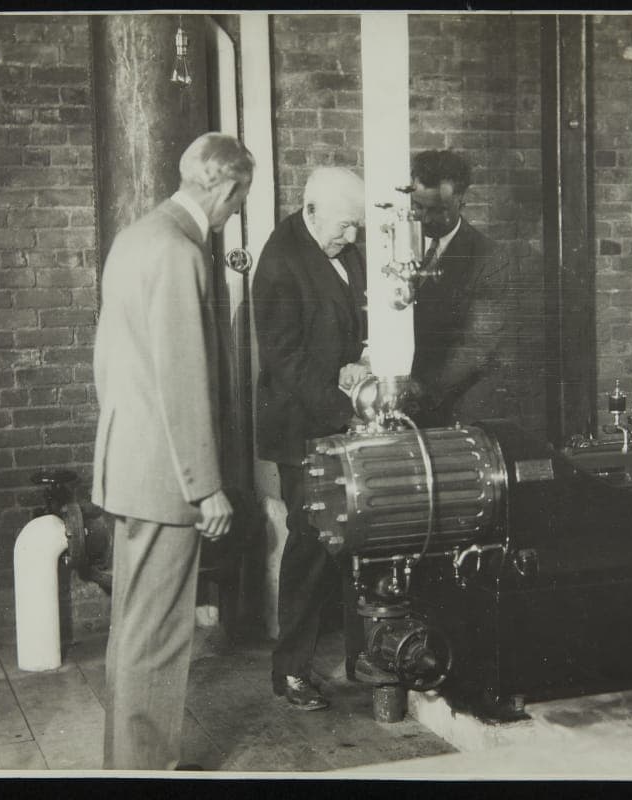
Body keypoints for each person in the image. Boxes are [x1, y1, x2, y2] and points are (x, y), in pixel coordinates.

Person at [91, 132, 254, 770]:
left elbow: (113, 364)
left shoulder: (134, 237)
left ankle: (124, 762)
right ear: (223, 187)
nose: (237, 213)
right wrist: (205, 485)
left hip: (128, 464)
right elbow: (184, 380)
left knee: (133, 632)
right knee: (158, 638)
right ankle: (146, 769)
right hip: (166, 477)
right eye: (240, 199)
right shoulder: (181, 250)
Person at [253, 167, 368, 711]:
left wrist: (359, 363)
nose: (352, 237)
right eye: (345, 226)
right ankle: (291, 669)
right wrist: (343, 405)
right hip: (305, 428)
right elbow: (286, 361)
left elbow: (352, 325)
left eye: (356, 227)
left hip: (343, 418)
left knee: (355, 539)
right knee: (312, 543)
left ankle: (362, 657)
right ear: (312, 209)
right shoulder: (280, 262)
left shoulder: (342, 247)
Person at [408, 149, 515, 428]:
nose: (426, 219)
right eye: (419, 207)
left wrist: (421, 390)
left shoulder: (488, 258)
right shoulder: (393, 245)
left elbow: (478, 347)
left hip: (452, 404)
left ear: (461, 200)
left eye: (438, 210)